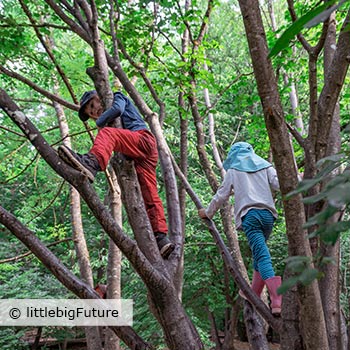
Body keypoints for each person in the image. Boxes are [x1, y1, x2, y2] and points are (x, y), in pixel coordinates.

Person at [58, 90, 175, 259]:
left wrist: (100, 122)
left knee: (106, 133)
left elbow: (118, 110)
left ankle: (92, 162)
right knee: (149, 193)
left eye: (93, 105)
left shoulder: (117, 96)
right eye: (91, 113)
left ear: (100, 97)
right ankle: (161, 238)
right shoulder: (109, 121)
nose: (94, 112)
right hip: (140, 155)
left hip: (144, 140)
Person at [198, 142, 282, 315]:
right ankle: (254, 293)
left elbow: (221, 194)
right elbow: (279, 184)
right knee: (259, 254)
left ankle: (276, 298)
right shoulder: (265, 166)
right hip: (268, 217)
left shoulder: (234, 170)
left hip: (250, 217)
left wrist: (207, 213)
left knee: (262, 255)